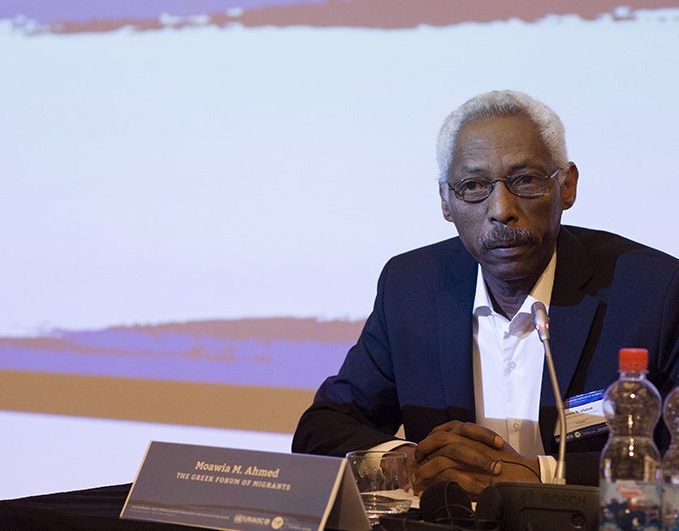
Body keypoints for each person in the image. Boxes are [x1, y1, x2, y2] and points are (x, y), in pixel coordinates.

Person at [291, 90, 679, 495]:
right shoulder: (411, 289)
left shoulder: (654, 292)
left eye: (525, 180)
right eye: (473, 186)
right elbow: (322, 429)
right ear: (445, 201)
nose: (500, 209)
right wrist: (413, 463)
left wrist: (541, 476)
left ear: (567, 186)